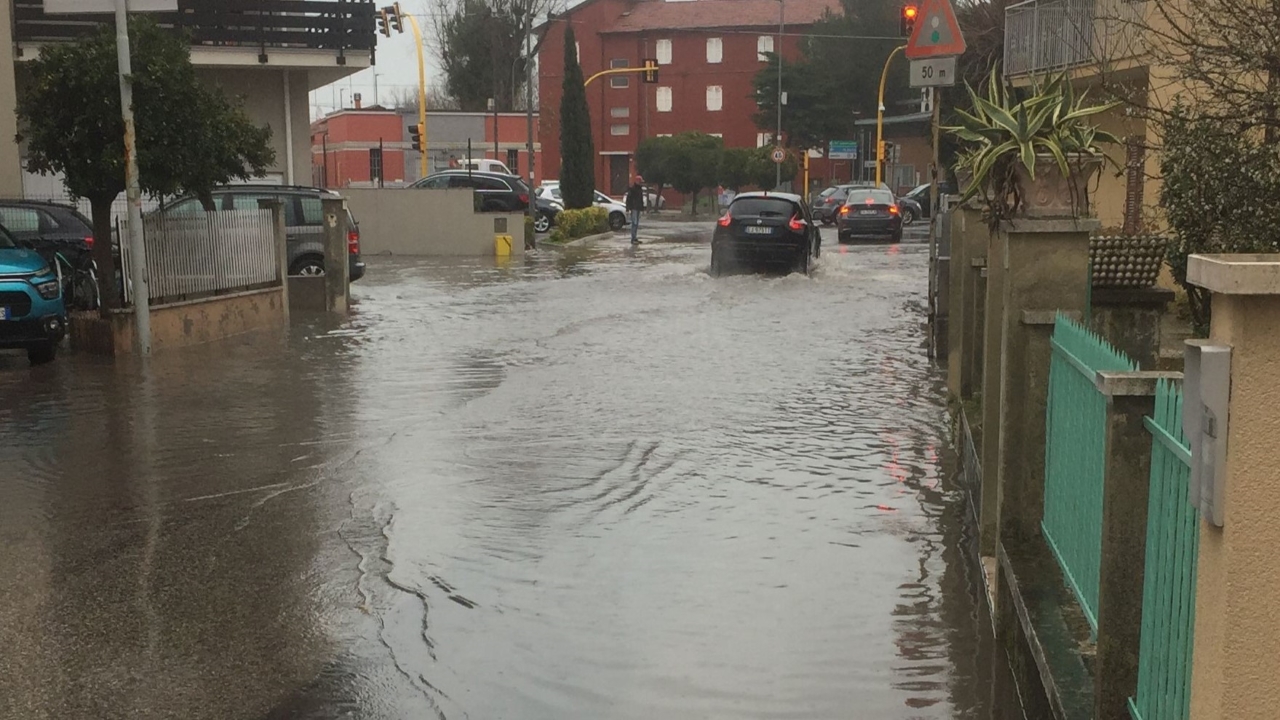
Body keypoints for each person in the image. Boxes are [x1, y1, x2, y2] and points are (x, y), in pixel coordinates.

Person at [625, 175, 645, 245]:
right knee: (634, 223)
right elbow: (628, 199)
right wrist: (627, 208)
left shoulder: (640, 189)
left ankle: (635, 237)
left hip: (638, 208)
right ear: (637, 181)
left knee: (636, 224)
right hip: (634, 208)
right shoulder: (632, 189)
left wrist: (642, 209)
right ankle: (633, 238)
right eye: (640, 181)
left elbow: (641, 200)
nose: (641, 183)